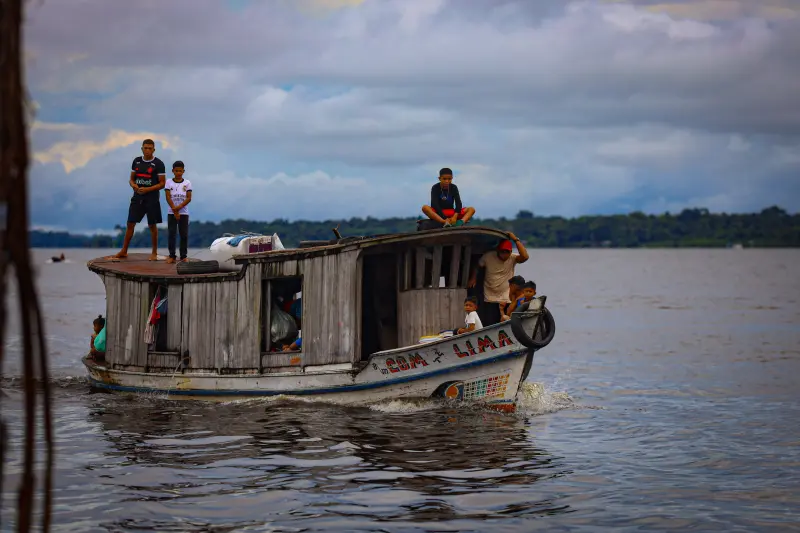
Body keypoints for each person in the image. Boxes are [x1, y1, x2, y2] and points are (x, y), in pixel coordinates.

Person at [111, 139, 166, 261]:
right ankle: (124, 250)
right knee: (130, 223)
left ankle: (154, 252)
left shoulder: (159, 164)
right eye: (145, 148)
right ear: (142, 149)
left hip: (152, 197)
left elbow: (162, 184)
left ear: (153, 150)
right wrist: (133, 185)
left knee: (152, 225)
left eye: (150, 148)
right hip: (137, 197)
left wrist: (148, 189)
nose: (147, 150)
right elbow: (131, 179)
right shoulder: (136, 161)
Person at [468, 232, 529, 326]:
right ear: (497, 250)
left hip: (505, 297)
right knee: (490, 323)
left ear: (511, 252)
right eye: (502, 251)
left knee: (506, 321)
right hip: (490, 297)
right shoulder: (488, 256)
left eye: (507, 252)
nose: (504, 254)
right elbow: (477, 266)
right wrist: (473, 278)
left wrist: (516, 240)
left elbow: (525, 257)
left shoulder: (513, 258)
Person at [164, 161, 193, 264]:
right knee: (172, 234)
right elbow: (168, 197)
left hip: (184, 213)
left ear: (183, 171)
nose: (178, 173)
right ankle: (172, 255)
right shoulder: (168, 182)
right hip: (171, 212)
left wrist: (179, 207)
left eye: (180, 171)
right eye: (176, 171)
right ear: (173, 171)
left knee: (183, 234)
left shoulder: (187, 183)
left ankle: (183, 256)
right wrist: (174, 209)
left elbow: (189, 198)